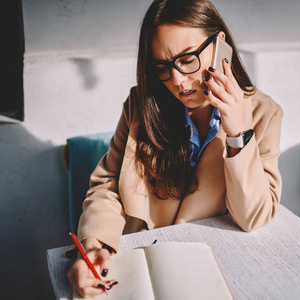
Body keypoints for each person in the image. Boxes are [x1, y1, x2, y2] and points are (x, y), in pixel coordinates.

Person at [67, 0, 283, 297]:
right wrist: (94, 245)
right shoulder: (141, 105)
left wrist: (238, 132)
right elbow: (109, 184)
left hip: (214, 265)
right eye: (162, 67)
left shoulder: (264, 113)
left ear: (220, 45)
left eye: (187, 59)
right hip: (138, 259)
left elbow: (254, 217)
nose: (178, 81)